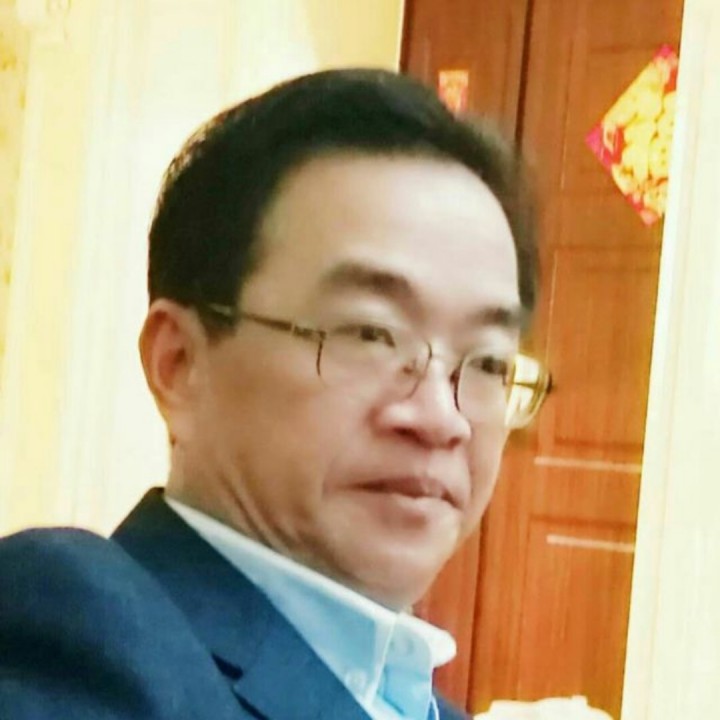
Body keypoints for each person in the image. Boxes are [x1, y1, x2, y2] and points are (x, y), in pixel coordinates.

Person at [0, 68, 541, 720]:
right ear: (179, 365)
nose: (440, 419)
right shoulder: (79, 638)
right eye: (370, 334)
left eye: (487, 362)